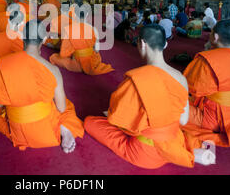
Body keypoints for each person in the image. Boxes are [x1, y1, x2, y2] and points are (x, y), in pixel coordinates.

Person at [84, 25, 200, 169]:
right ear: (165, 44)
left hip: (145, 153)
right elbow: (183, 120)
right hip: (174, 141)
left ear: (142, 43)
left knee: (90, 122)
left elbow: (119, 121)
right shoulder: (181, 78)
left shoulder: (136, 78)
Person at [0, 20, 84, 152]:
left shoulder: (1, 67)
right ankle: (64, 127)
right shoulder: (53, 70)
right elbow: (62, 108)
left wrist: (11, 94)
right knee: (65, 104)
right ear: (43, 41)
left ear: (23, 38)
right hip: (47, 130)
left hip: (18, 132)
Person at [181, 20, 230, 149]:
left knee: (170, 104)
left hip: (213, 119)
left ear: (215, 37)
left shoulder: (207, 60)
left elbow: (189, 88)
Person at [50, 0, 114, 75]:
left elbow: (63, 54)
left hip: (76, 65)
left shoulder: (69, 29)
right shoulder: (94, 29)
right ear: (87, 15)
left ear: (74, 14)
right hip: (92, 63)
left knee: (54, 57)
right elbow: (96, 50)